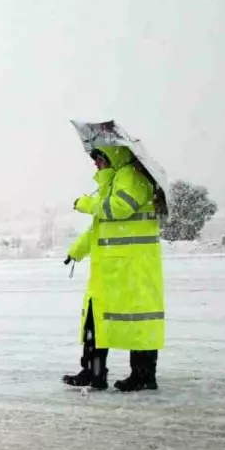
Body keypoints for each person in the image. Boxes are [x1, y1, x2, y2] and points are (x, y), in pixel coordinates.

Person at [62, 145, 165, 391]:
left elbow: (118, 209)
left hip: (131, 268)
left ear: (114, 155)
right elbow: (100, 227)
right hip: (112, 268)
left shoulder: (132, 176)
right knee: (95, 321)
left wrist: (84, 203)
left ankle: (142, 376)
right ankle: (93, 373)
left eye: (99, 158)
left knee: (138, 321)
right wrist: (76, 251)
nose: (96, 163)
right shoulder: (114, 181)